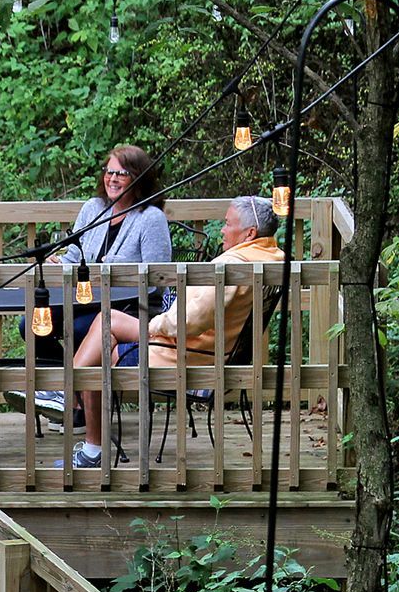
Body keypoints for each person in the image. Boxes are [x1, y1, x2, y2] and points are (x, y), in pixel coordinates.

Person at [58, 195, 284, 468]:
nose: (222, 229)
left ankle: (73, 408)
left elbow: (188, 322)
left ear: (250, 232)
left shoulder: (232, 266)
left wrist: (154, 326)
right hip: (212, 350)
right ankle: (69, 394)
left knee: (102, 340)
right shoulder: (272, 257)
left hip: (184, 354)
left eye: (227, 224)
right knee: (106, 324)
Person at [12, 145, 173, 422]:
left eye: (121, 173)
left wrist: (115, 272)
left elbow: (159, 278)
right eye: (109, 172)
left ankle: (72, 403)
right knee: (32, 325)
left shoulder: (151, 218)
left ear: (139, 178)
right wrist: (58, 262)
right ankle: (72, 401)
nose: (112, 179)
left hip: (131, 308)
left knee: (76, 327)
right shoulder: (93, 208)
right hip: (84, 299)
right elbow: (75, 253)